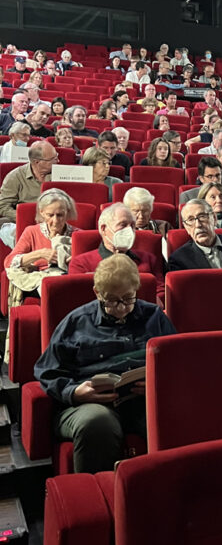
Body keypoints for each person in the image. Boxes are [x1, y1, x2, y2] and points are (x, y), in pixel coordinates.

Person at [34, 254, 176, 474]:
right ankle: (97, 497)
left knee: (172, 417)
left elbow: (176, 363)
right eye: (111, 300)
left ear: (137, 289)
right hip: (89, 404)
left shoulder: (154, 316)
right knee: (98, 423)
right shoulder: (76, 321)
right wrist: (74, 392)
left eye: (128, 299)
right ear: (97, 293)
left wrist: (159, 383)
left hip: (143, 401)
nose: (120, 308)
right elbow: (47, 370)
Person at [69, 203, 165, 302]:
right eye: (123, 225)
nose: (129, 230)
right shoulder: (80, 264)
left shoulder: (148, 259)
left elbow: (161, 292)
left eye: (132, 225)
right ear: (103, 229)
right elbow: (79, 299)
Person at [4, 189, 78, 310]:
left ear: (68, 213)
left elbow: (86, 265)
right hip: (38, 281)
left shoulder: (77, 235)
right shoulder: (32, 231)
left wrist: (72, 261)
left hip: (66, 280)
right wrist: (39, 254)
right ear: (42, 212)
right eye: (50, 215)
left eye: (60, 215)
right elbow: (9, 262)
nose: (55, 221)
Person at [0, 141, 58, 243]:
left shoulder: (60, 174)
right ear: (37, 162)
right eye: (52, 159)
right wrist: (24, 217)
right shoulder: (15, 177)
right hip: (24, 222)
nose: (58, 160)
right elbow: (3, 206)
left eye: (56, 156)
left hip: (55, 219)